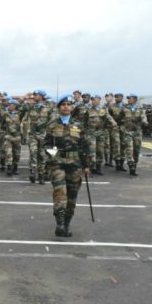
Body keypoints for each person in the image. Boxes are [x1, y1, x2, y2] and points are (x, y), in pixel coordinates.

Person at [44, 94, 93, 237]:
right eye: (63, 104)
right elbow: (46, 144)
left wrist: (87, 165)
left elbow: (86, 145)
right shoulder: (52, 125)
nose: (66, 107)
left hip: (75, 164)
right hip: (57, 163)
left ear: (72, 107)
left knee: (72, 195)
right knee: (60, 192)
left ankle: (66, 224)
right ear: (59, 107)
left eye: (68, 104)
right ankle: (59, 223)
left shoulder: (79, 125)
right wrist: (53, 156)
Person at [26, 90, 54, 184]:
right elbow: (19, 108)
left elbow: (53, 120)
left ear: (42, 96)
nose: (34, 96)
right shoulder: (31, 106)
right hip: (33, 134)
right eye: (33, 95)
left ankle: (41, 175)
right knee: (33, 153)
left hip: (44, 135)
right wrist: (25, 97)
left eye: (36, 95)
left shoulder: (48, 107)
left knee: (42, 155)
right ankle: (33, 174)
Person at [86, 94, 118, 175]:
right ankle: (91, 167)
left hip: (100, 132)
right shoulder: (87, 109)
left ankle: (98, 168)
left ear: (99, 100)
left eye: (96, 100)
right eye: (93, 100)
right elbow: (82, 120)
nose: (94, 101)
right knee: (91, 151)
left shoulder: (102, 109)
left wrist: (113, 123)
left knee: (100, 150)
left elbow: (108, 116)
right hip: (91, 132)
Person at [117, 93, 147, 176]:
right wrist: (122, 125)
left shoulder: (140, 108)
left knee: (136, 150)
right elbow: (119, 118)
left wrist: (145, 121)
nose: (128, 99)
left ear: (135, 99)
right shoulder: (124, 108)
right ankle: (131, 165)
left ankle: (135, 165)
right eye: (128, 98)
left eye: (130, 98)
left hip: (137, 132)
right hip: (127, 132)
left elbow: (143, 116)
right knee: (129, 149)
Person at [0, 99, 23, 176]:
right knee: (8, 153)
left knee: (16, 154)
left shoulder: (20, 114)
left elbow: (26, 109)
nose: (9, 106)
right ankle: (9, 169)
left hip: (17, 136)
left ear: (15, 106)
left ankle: (15, 168)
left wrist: (23, 100)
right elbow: (1, 123)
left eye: (11, 105)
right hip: (8, 136)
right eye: (8, 105)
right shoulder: (5, 114)